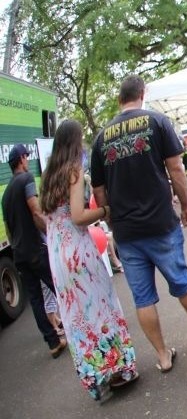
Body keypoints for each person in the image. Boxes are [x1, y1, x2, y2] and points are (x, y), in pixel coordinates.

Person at [90, 74, 187, 374]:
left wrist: (114, 220)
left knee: (142, 298)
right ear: (142, 93)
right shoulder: (158, 122)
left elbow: (99, 193)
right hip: (161, 224)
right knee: (181, 282)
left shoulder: (101, 138)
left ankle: (163, 356)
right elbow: (176, 168)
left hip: (126, 234)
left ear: (119, 100)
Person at [40, 119, 138, 401]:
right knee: (101, 307)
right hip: (78, 253)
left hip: (58, 257)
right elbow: (79, 217)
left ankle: (96, 377)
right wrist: (107, 209)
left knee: (77, 318)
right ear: (74, 142)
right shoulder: (73, 172)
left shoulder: (48, 176)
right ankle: (119, 368)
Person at [0, 143, 65, 357]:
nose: (28, 160)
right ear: (20, 159)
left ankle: (53, 342)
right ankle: (77, 329)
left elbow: (9, 231)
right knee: (59, 288)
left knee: (35, 298)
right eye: (26, 156)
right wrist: (53, 234)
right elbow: (36, 211)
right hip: (35, 250)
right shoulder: (26, 180)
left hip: (19, 254)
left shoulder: (5, 195)